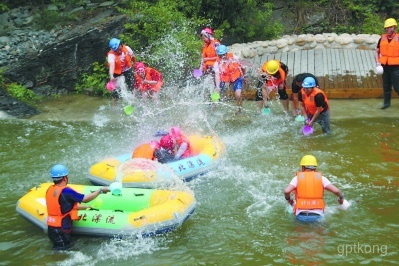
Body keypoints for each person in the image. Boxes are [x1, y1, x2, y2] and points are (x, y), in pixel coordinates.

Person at [46, 164, 110, 250]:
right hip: (62, 229)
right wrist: (100, 190)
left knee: (59, 249)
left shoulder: (49, 189)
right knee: (65, 251)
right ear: (65, 178)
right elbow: (85, 199)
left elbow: (62, 206)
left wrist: (87, 207)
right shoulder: (66, 191)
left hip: (51, 228)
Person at [284, 155, 345, 222]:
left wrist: (289, 199)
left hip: (301, 215)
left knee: (301, 232)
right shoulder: (322, 178)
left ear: (303, 168)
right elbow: (336, 191)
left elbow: (287, 191)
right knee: (318, 232)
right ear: (315, 168)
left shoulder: (297, 178)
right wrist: (341, 198)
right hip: (318, 216)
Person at [213, 44, 245, 113]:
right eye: (220, 55)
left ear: (226, 53)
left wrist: (245, 76)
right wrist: (218, 86)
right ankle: (212, 110)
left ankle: (239, 110)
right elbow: (217, 75)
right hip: (224, 78)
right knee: (215, 93)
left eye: (223, 55)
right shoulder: (216, 63)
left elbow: (241, 67)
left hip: (236, 77)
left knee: (238, 95)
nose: (222, 57)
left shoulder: (234, 58)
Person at [375, 18, 399, 109]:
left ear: (394, 27)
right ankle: (386, 104)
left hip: (396, 67)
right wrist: (378, 63)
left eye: (390, 27)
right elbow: (377, 51)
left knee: (397, 87)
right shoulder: (382, 38)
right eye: (386, 28)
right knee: (386, 86)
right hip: (384, 66)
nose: (388, 29)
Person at [107, 38, 136, 105]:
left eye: (119, 49)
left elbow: (133, 57)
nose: (119, 51)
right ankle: (114, 106)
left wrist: (135, 65)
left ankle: (133, 102)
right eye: (116, 50)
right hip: (117, 72)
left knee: (132, 85)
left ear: (121, 44)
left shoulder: (127, 48)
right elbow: (112, 66)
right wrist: (111, 76)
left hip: (127, 69)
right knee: (116, 90)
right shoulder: (111, 55)